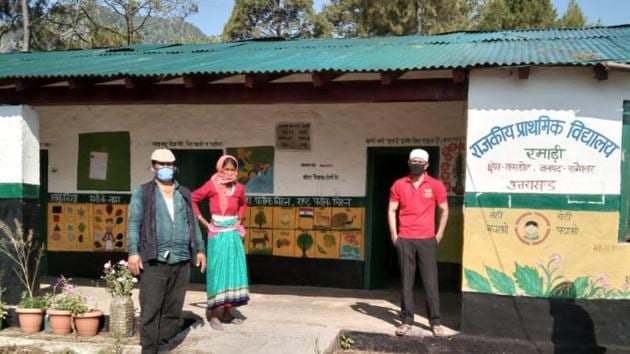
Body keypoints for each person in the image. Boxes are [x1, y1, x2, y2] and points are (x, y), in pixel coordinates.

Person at [127, 148, 207, 354]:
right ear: (153, 167)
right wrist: (133, 252)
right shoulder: (143, 192)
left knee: (172, 310)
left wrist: (200, 249)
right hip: (154, 261)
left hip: (181, 259)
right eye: (161, 165)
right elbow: (133, 224)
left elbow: (193, 224)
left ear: (174, 167)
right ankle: (148, 350)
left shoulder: (184, 193)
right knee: (151, 310)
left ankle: (162, 349)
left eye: (169, 165)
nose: (166, 168)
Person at [388, 148, 449, 337]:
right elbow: (392, 210)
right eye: (413, 161)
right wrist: (394, 235)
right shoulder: (399, 185)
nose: (416, 164)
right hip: (405, 239)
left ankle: (435, 322)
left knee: (430, 282)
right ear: (408, 163)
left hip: (427, 240)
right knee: (406, 282)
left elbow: (445, 210)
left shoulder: (436, 185)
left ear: (426, 165)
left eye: (419, 162)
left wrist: (438, 234)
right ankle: (406, 321)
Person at [192, 154, 249, 331]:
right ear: (220, 169)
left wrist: (239, 220)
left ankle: (227, 312)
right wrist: (204, 221)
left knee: (232, 271)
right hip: (217, 234)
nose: (230, 172)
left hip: (232, 233)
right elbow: (193, 198)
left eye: (233, 169)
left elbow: (243, 204)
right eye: (226, 169)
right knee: (217, 271)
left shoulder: (239, 188)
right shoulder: (212, 185)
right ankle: (214, 314)